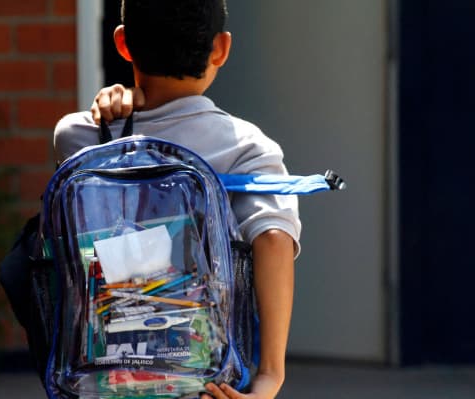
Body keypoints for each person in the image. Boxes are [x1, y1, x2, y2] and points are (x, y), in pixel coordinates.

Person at [52, 1, 300, 398]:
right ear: (220, 48)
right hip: (205, 382)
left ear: (123, 44)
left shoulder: (79, 138)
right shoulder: (249, 148)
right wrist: (270, 377)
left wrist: (120, 102)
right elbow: (273, 239)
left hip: (101, 380)